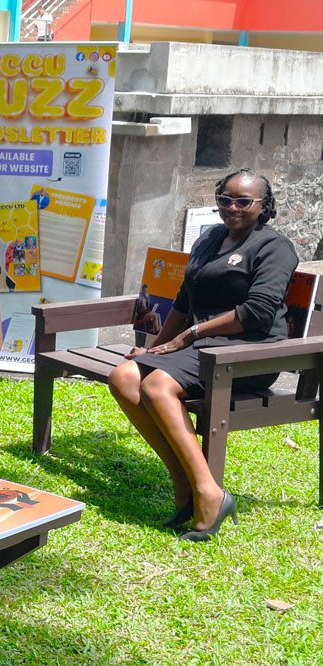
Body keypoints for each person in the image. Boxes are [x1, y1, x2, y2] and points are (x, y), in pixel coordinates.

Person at [108, 169, 297, 542]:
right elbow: (184, 301)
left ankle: (210, 494)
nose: (233, 208)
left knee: (159, 385)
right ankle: (184, 481)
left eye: (244, 201)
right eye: (225, 199)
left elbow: (257, 312)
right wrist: (157, 345)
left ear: (264, 206)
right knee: (124, 377)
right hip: (203, 348)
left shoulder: (274, 248)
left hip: (250, 351)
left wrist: (191, 334)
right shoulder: (211, 239)